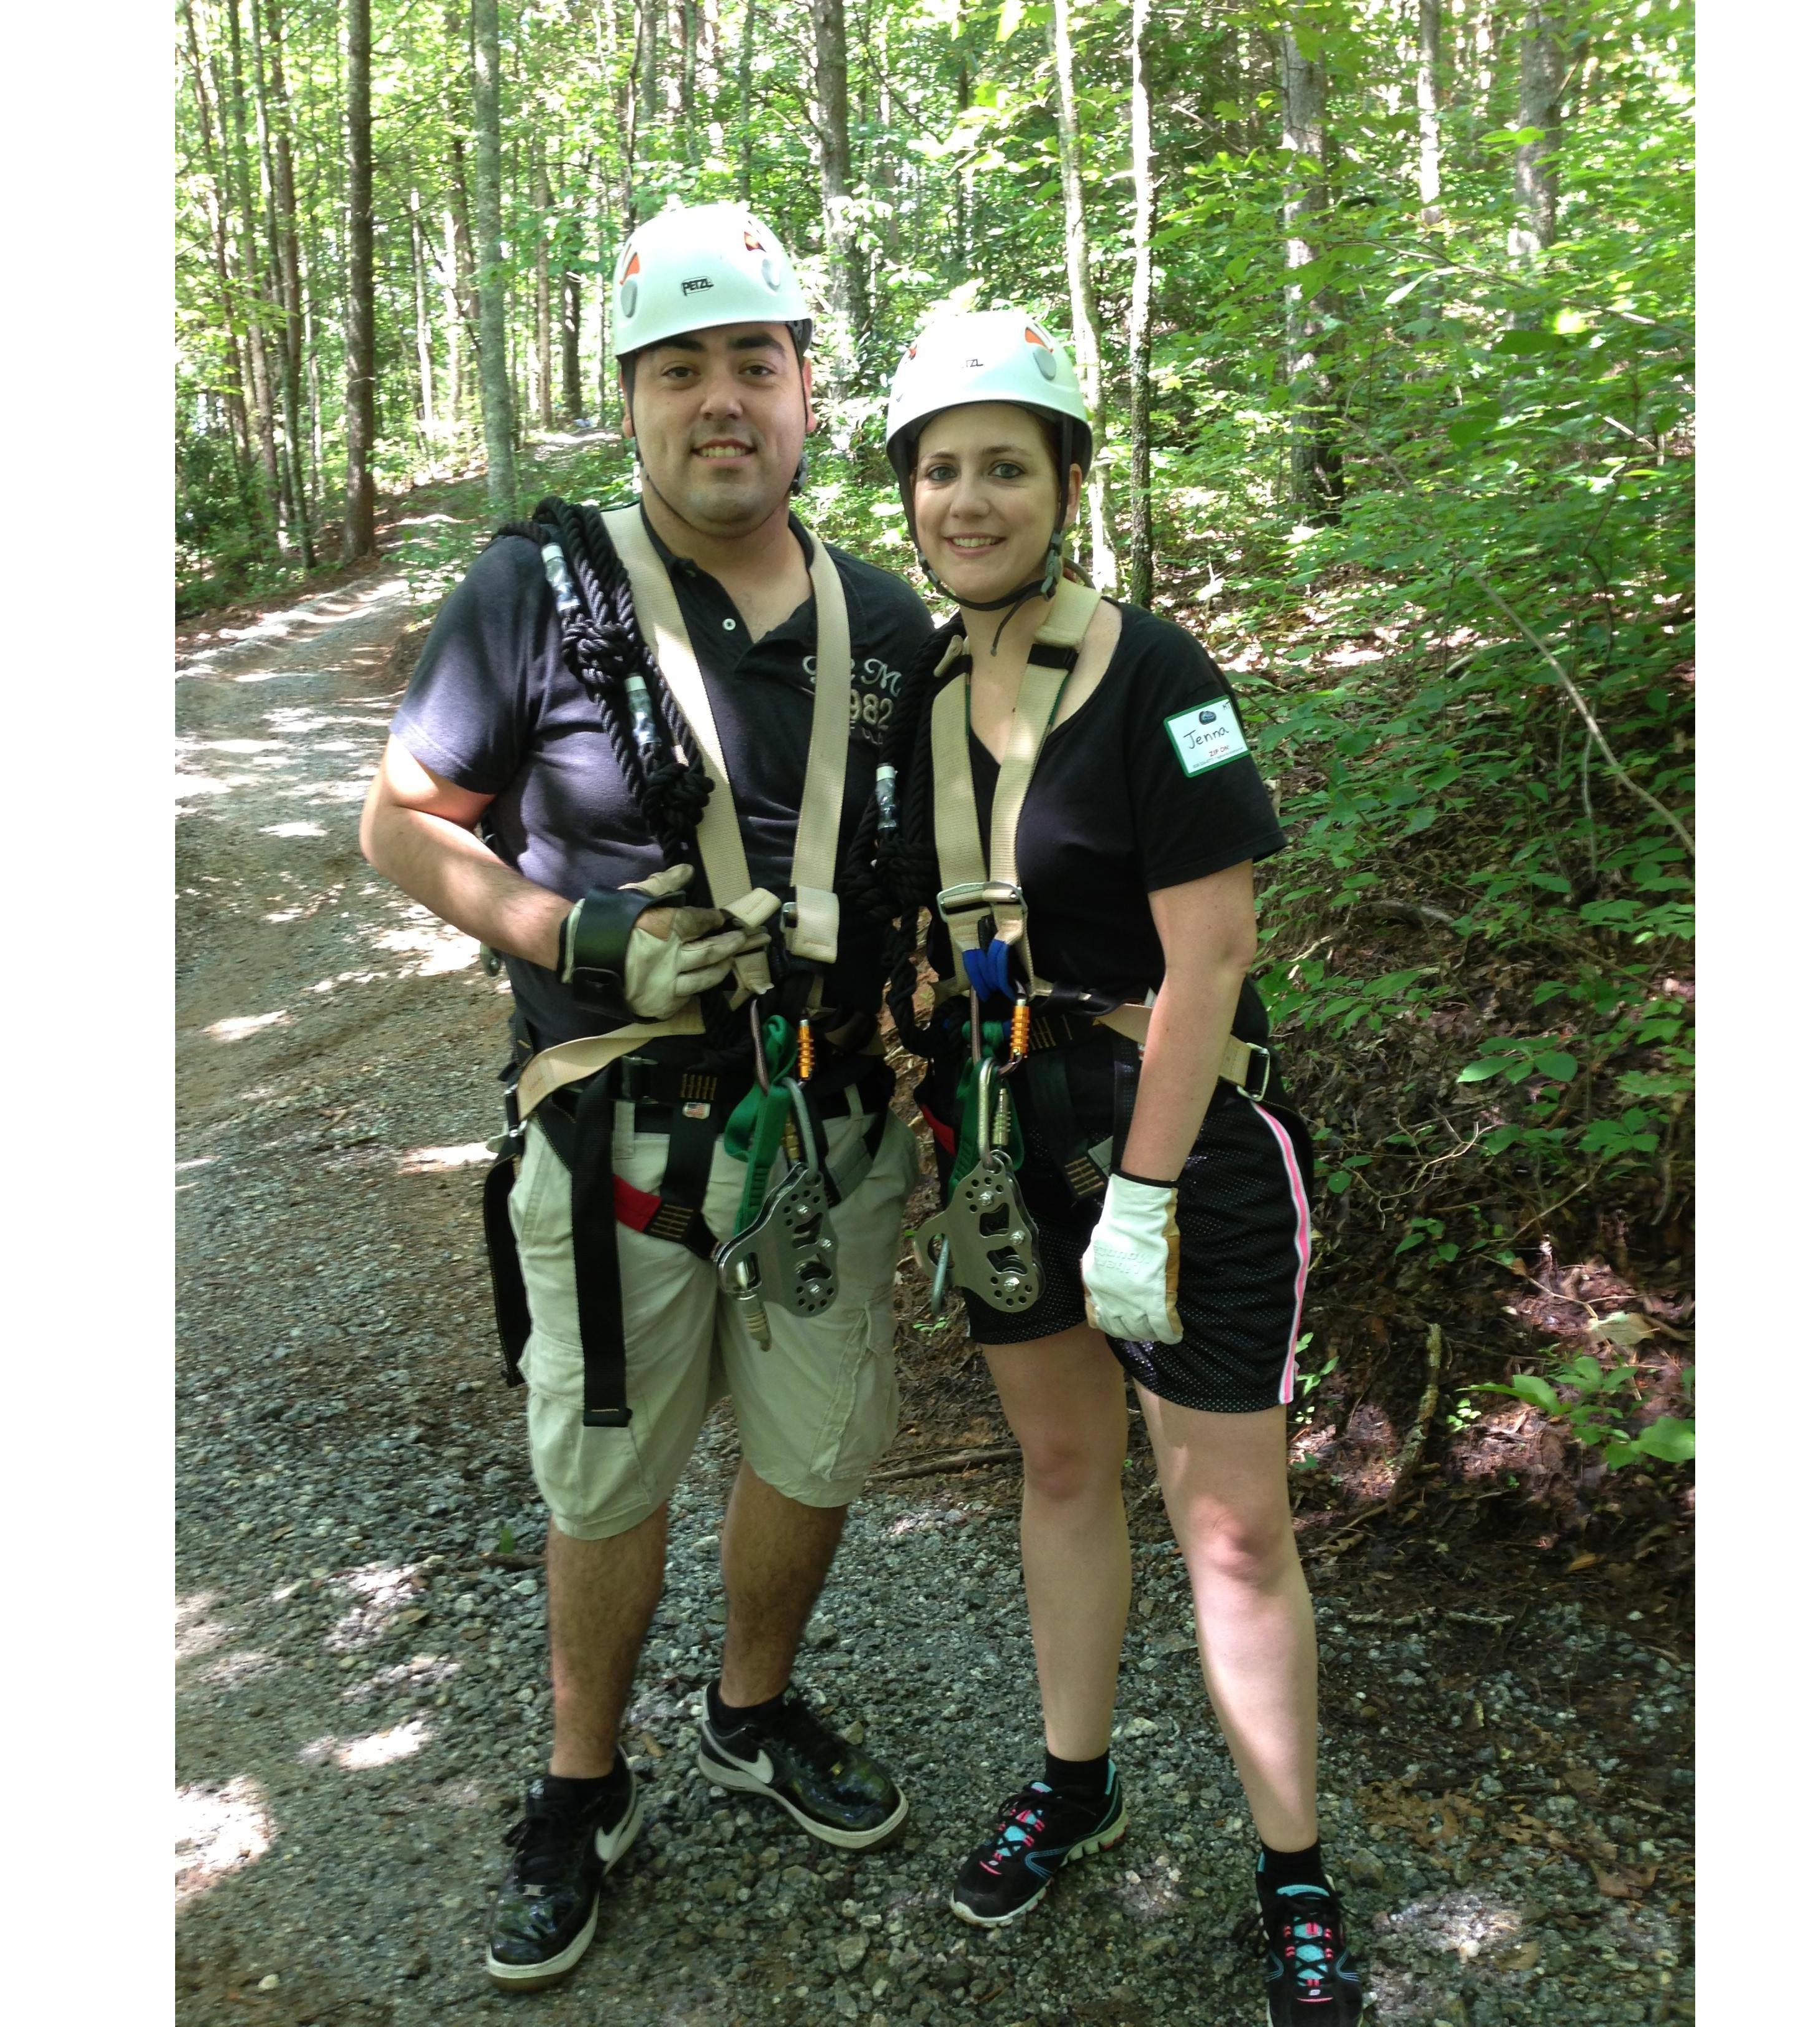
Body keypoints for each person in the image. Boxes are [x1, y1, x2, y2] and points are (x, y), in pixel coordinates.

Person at [359, 201, 931, 1993]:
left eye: (752, 362)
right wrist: (570, 932)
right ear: (631, 400)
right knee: (605, 1475)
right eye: (679, 368)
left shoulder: (892, 619)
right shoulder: (539, 593)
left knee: (821, 1446)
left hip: (832, 1131)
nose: (720, 401)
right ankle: (580, 1782)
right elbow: (399, 823)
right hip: (618, 1137)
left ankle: (749, 1708)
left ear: (807, 391)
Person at [865, 310, 1365, 2024]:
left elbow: (1209, 957)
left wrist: (1146, 1197)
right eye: (942, 470)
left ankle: (1292, 1866)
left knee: (1229, 1531)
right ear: (912, 499)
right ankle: (1077, 1783)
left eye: (1007, 464)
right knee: (1064, 1475)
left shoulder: (1161, 679)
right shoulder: (920, 693)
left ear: (1066, 483)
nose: (971, 497)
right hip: (1009, 1137)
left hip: (1184, 1141)